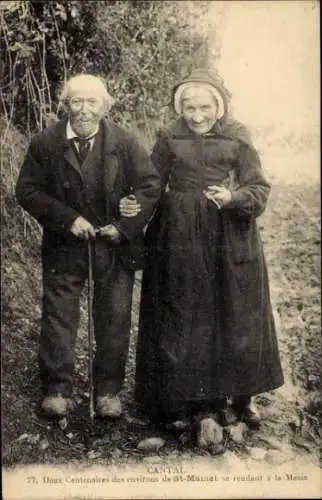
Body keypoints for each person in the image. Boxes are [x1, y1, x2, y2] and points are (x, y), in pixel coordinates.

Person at [120, 68, 284, 432]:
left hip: (228, 235)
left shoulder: (238, 136)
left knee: (234, 313)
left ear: (219, 106)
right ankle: (180, 400)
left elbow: (258, 188)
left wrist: (234, 197)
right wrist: (130, 214)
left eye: (204, 107)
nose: (197, 116)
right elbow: (151, 184)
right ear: (180, 108)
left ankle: (237, 398)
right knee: (181, 312)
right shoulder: (168, 136)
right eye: (189, 108)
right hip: (178, 235)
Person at [15, 74, 161, 419]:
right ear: (65, 105)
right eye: (76, 101)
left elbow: (150, 186)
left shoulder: (124, 142)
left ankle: (108, 391)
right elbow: (28, 190)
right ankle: (57, 389)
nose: (84, 109)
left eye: (92, 102)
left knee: (114, 317)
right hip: (64, 246)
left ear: (105, 106)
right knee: (59, 316)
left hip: (114, 246)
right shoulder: (45, 143)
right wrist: (67, 219)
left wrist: (124, 225)